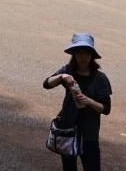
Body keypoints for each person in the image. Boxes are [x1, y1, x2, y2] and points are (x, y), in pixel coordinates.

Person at [43, 33, 113, 171]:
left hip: (89, 134)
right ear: (74, 54)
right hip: (68, 129)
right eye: (79, 52)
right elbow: (46, 84)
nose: (83, 57)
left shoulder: (100, 78)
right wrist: (61, 76)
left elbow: (106, 109)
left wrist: (89, 101)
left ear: (92, 55)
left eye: (87, 53)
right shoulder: (68, 71)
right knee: (69, 168)